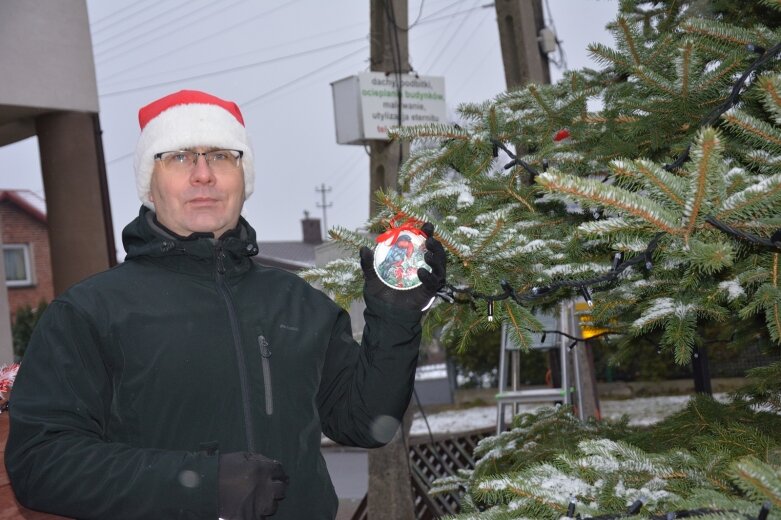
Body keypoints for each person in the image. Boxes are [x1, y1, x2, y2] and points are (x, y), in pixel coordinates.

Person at [5, 90, 446, 520]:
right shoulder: (90, 312)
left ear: (243, 178)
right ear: (150, 186)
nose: (203, 174)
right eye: (178, 157)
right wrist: (199, 484)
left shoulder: (296, 302)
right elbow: (41, 464)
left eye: (221, 155)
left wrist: (395, 317)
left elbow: (366, 422)